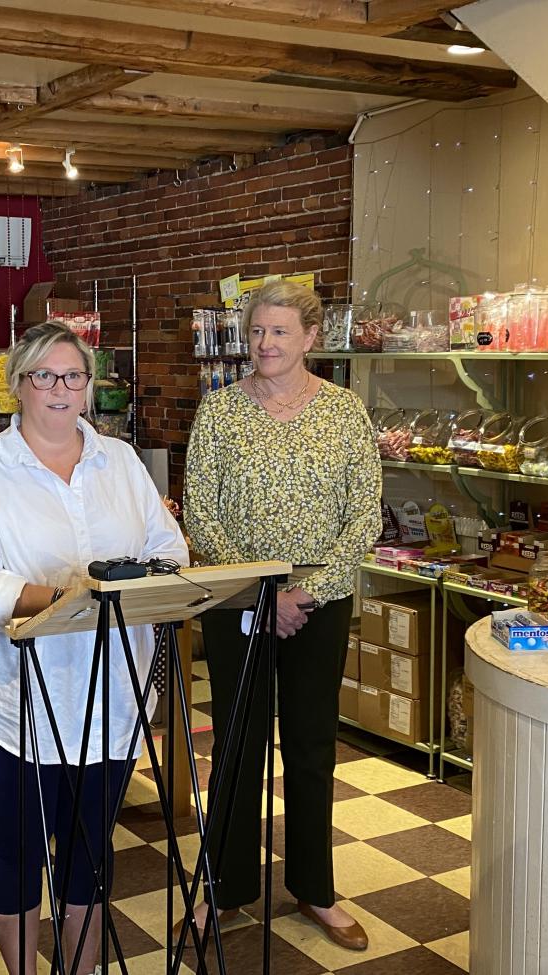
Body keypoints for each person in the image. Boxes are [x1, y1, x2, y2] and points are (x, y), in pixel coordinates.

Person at [0, 322, 187, 974]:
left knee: (89, 846)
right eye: (43, 375)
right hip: (10, 695)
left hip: (110, 690)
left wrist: (134, 581)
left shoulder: (122, 462)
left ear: (88, 387)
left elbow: (168, 549)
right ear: (19, 385)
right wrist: (61, 596)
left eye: (72, 375)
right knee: (19, 844)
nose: (59, 388)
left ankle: (80, 968)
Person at [183, 280, 382, 951]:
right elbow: (201, 512)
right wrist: (265, 594)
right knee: (236, 743)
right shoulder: (218, 414)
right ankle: (223, 888)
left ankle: (315, 888)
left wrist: (307, 591)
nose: (264, 344)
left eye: (278, 331)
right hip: (238, 600)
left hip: (319, 604)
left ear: (309, 336)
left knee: (310, 743)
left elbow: (364, 516)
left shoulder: (346, 413)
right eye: (256, 331)